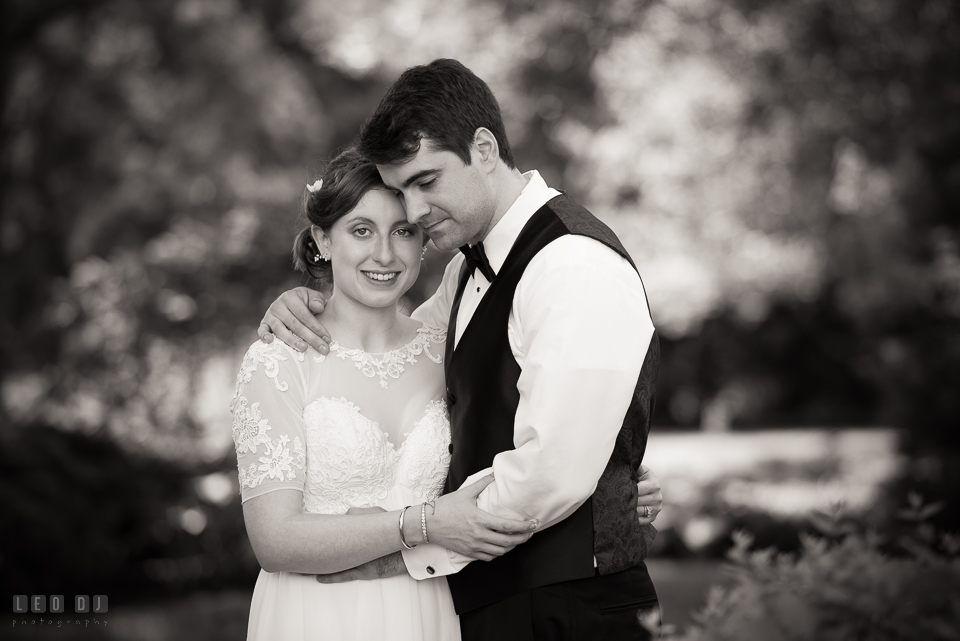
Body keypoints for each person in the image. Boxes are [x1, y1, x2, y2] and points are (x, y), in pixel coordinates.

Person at [257, 59, 662, 640]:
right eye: (401, 192)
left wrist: (405, 555)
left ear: (484, 148)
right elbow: (390, 360)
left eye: (427, 181)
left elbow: (549, 473)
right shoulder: (466, 273)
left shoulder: (572, 264)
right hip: (488, 607)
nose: (415, 214)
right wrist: (300, 308)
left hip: (568, 610)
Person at [231, 147, 539, 641]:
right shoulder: (279, 361)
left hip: (432, 611)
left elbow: (523, 451)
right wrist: (425, 523)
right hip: (316, 616)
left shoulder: (449, 352)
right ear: (322, 240)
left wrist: (608, 487)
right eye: (361, 230)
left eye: (403, 231)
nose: (384, 254)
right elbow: (275, 540)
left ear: (423, 242)